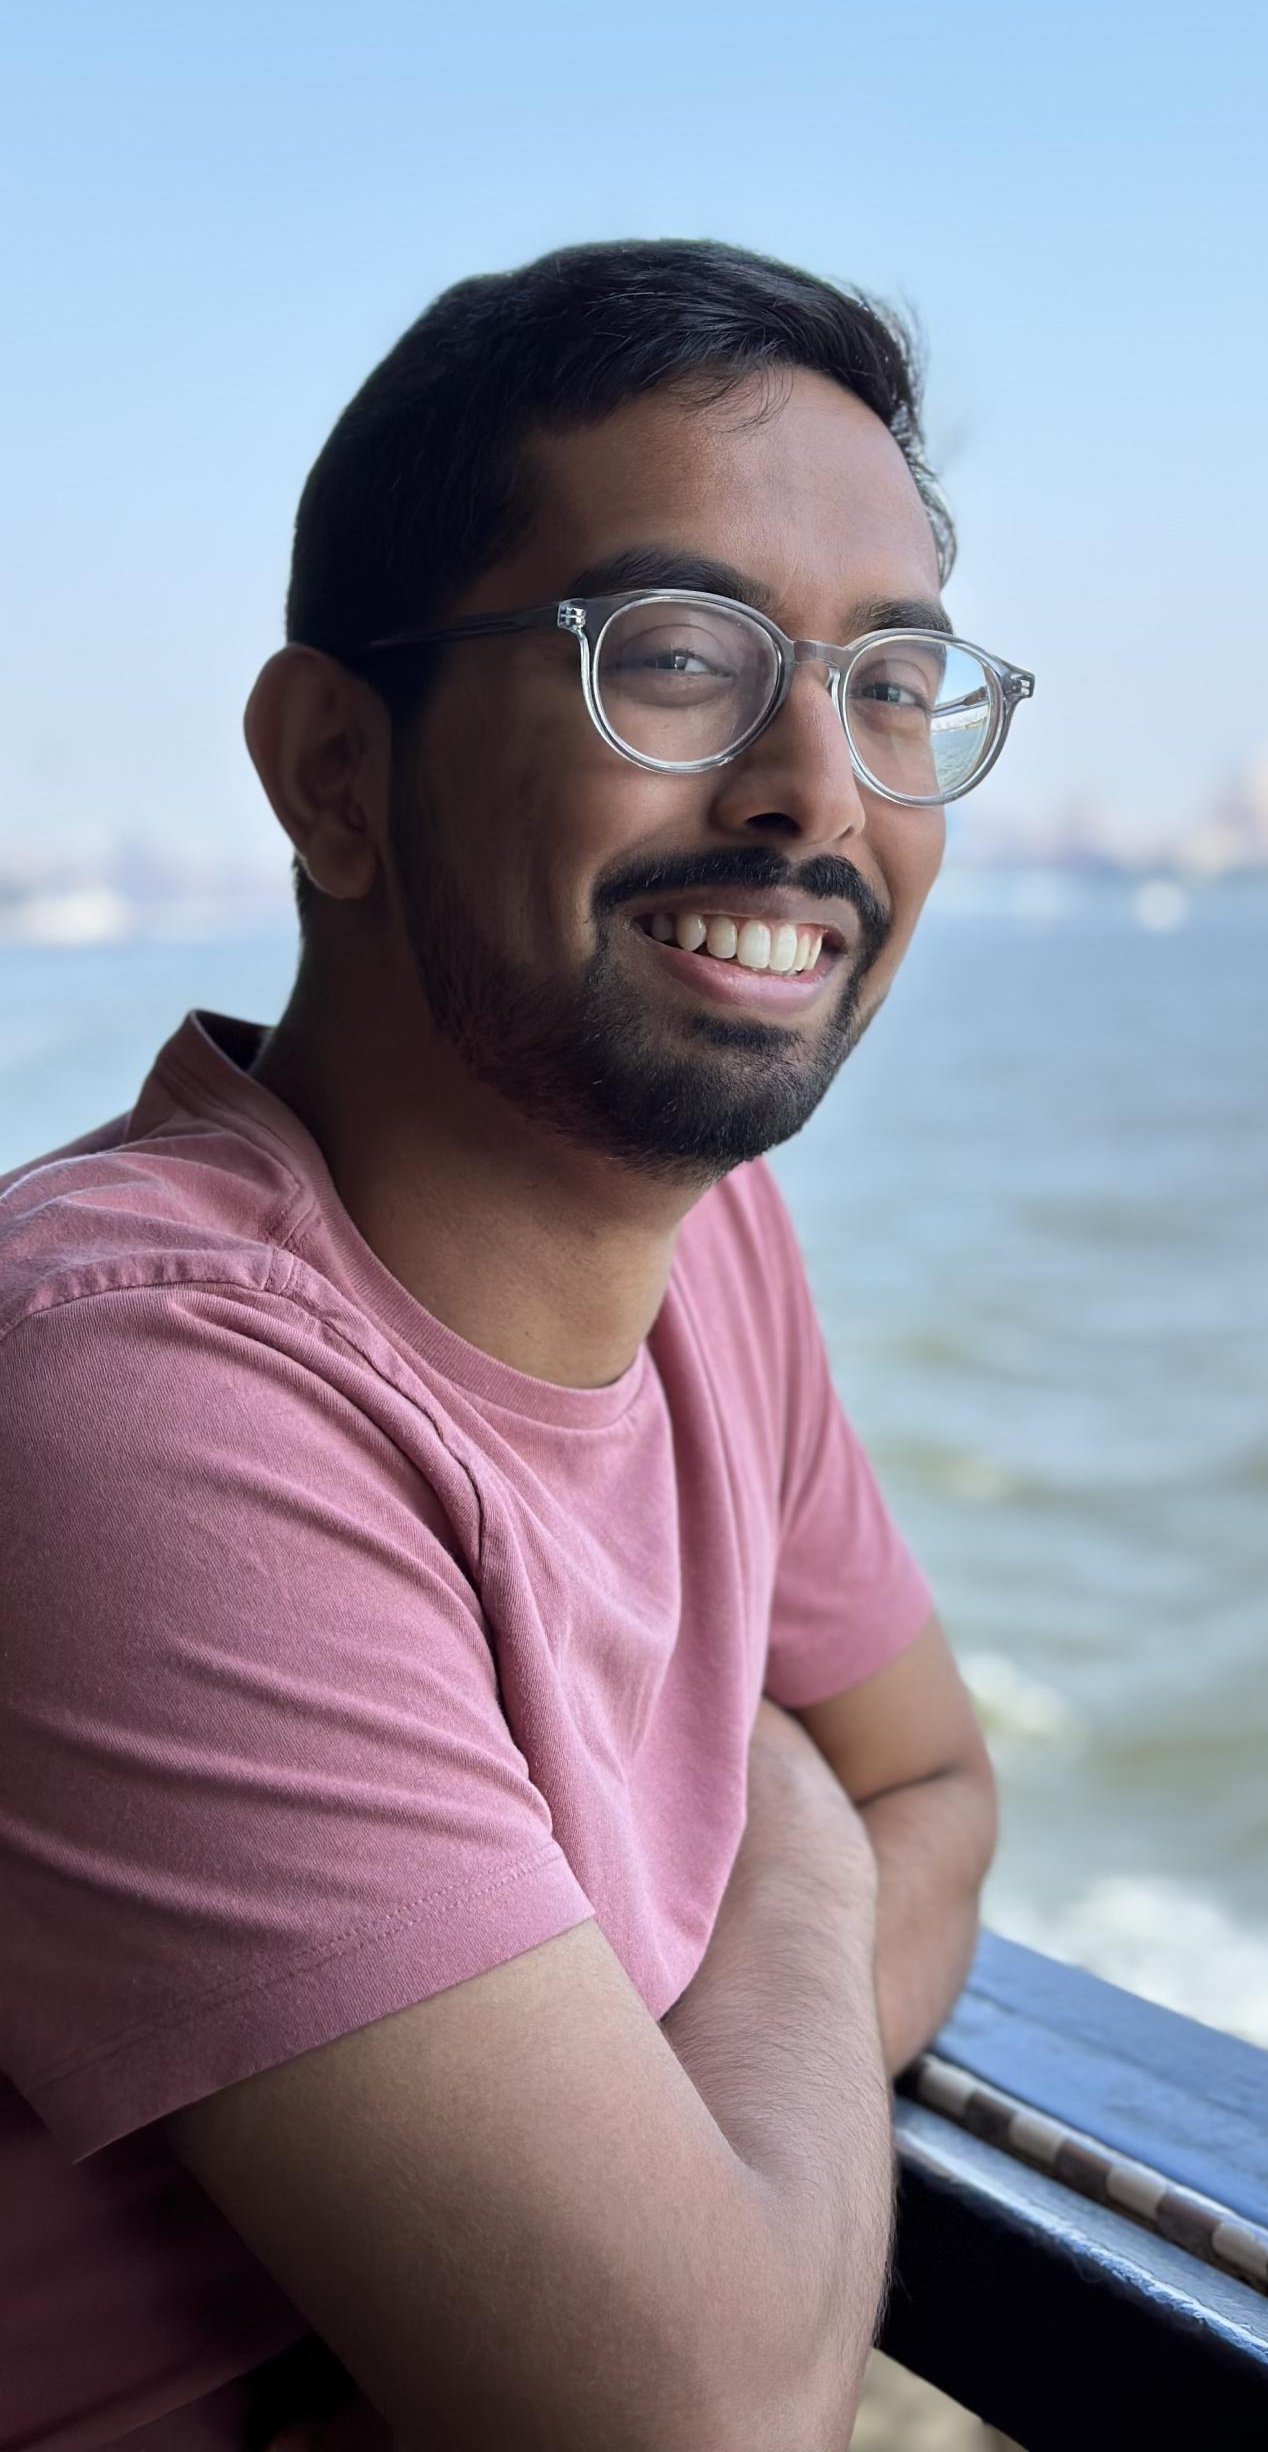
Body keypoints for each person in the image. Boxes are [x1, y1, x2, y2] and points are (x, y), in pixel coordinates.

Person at [0, 240, 1034, 2451]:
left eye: (891, 684)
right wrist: (781, 1803)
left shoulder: (710, 1250)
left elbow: (940, 1782)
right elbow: (706, 2419)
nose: (815, 792)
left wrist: (699, 2186)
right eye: (674, 658)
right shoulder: (125, 1398)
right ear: (333, 771)